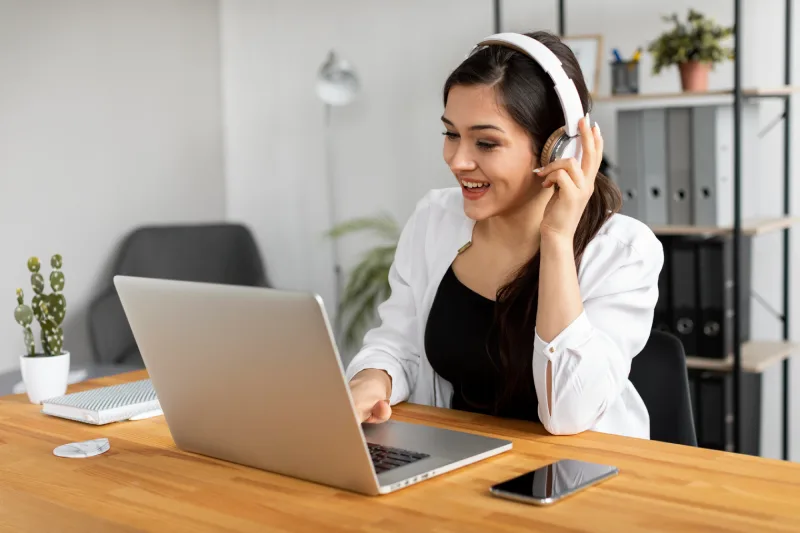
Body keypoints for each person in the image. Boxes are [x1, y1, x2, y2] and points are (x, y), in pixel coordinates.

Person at [344, 31, 663, 439]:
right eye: (451, 134)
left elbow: (569, 412)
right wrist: (374, 379)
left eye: (486, 143)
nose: (458, 161)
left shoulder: (624, 252)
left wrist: (557, 238)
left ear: (559, 149)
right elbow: (397, 343)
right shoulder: (434, 220)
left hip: (578, 477)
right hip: (457, 467)